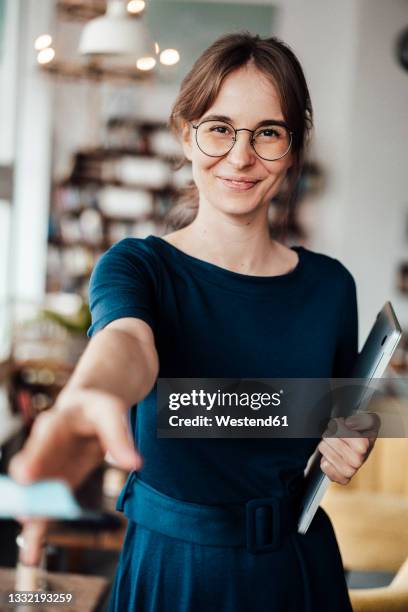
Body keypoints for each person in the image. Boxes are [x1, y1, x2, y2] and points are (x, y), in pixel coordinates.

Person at [10, 32, 379, 612]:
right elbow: (127, 344)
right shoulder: (139, 267)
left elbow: (333, 418)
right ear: (186, 133)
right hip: (173, 572)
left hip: (299, 573)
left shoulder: (331, 287)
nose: (240, 156)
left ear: (292, 147)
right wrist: (88, 396)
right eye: (219, 127)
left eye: (268, 133)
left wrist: (351, 438)